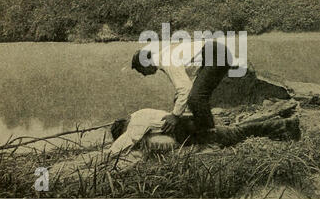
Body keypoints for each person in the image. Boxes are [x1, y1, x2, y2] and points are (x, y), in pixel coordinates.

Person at [131, 40, 241, 138]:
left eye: (141, 71)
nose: (144, 75)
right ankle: (208, 127)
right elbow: (190, 78)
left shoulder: (166, 60)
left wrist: (175, 115)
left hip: (216, 54)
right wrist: (178, 106)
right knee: (190, 98)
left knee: (196, 98)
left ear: (145, 64)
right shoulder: (163, 57)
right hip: (214, 53)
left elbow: (185, 89)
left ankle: (210, 137)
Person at [109, 108, 301, 155]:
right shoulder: (142, 114)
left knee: (237, 133)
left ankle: (285, 125)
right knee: (237, 131)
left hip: (197, 131)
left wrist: (110, 153)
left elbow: (126, 141)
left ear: (124, 126)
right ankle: (280, 122)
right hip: (193, 126)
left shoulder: (136, 123)